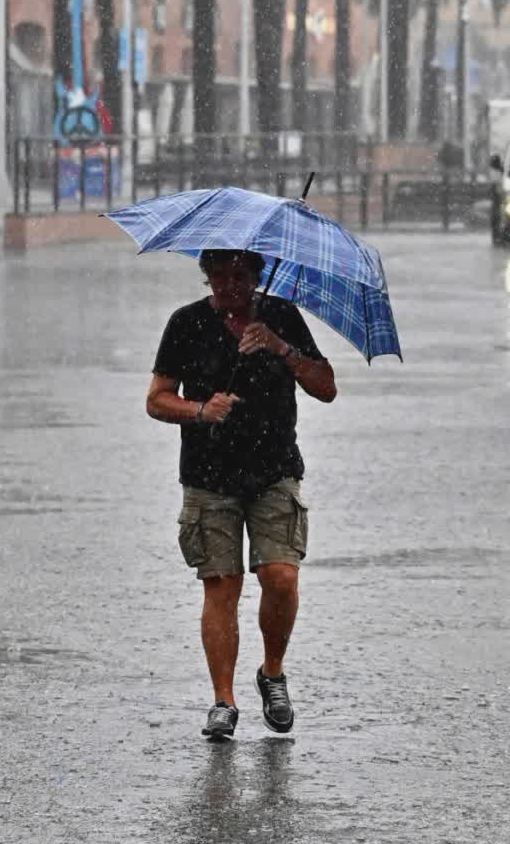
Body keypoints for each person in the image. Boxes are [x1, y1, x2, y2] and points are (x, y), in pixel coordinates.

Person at [146, 249, 337, 739]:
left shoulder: (281, 316)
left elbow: (326, 386)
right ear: (206, 276)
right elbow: (157, 399)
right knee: (221, 586)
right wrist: (200, 410)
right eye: (218, 275)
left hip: (274, 471)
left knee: (281, 577)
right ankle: (223, 701)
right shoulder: (186, 323)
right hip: (208, 476)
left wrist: (281, 347)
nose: (228, 284)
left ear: (257, 276)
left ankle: (272, 673)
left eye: (239, 275)